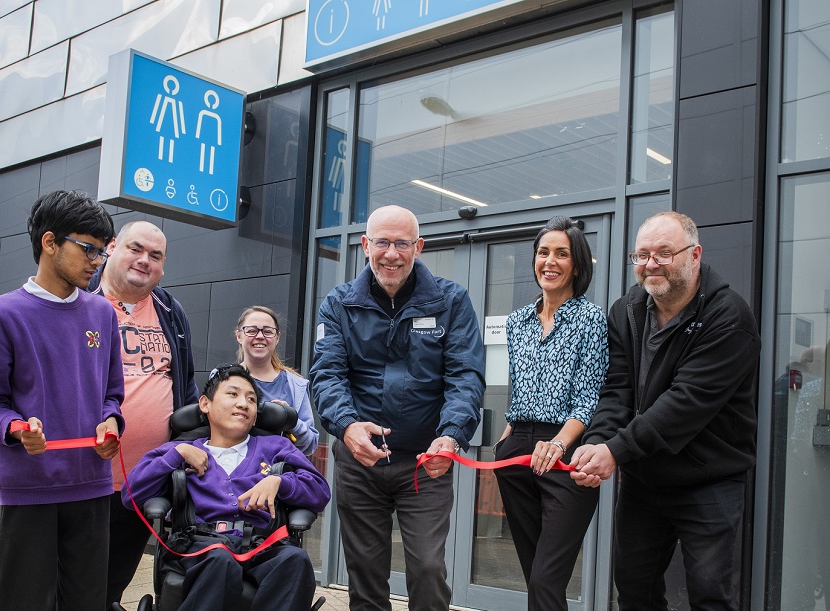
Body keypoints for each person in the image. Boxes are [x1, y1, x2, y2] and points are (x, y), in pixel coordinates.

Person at [571, 211, 760, 610]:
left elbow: (686, 402)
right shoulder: (626, 310)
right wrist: (597, 442)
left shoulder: (729, 317)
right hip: (644, 480)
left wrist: (614, 451)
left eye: (663, 253)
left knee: (710, 594)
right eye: (641, 255)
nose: (650, 264)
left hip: (709, 481)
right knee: (635, 591)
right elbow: (616, 391)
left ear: (695, 255)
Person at [310, 204, 485, 610]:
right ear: (364, 245)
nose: (392, 253)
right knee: (366, 576)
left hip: (425, 462)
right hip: (360, 464)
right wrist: (347, 426)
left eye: (402, 243)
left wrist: (451, 434)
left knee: (427, 568)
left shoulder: (451, 302)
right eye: (382, 242)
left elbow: (465, 376)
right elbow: (327, 374)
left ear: (418, 247)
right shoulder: (338, 304)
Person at [0, 190, 124, 611]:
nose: (98, 261)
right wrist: (18, 430)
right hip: (30, 486)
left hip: (92, 484)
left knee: (87, 602)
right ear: (49, 242)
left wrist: (112, 424)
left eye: (103, 251)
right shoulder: (2, 313)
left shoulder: (102, 314)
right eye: (88, 248)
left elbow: (112, 396)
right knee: (24, 601)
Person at [122, 363, 331, 611]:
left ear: (256, 414)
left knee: (295, 559)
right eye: (232, 394)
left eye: (251, 399)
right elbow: (130, 495)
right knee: (220, 559)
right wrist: (176, 455)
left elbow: (320, 491)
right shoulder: (182, 449)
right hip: (201, 547)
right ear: (205, 404)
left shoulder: (275, 447)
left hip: (260, 546)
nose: (243, 403)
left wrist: (280, 482)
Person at [493, 215, 607, 610]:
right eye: (543, 252)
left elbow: (588, 398)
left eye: (562, 254)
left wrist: (558, 443)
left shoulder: (591, 320)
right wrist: (509, 431)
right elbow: (521, 384)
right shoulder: (517, 322)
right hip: (517, 452)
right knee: (535, 577)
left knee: (546, 576)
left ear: (577, 264)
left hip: (565, 451)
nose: (550, 261)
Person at [87, 220, 200, 608]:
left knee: (110, 584)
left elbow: (185, 387)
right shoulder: (82, 298)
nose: (144, 260)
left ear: (163, 266)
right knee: (67, 582)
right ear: (113, 247)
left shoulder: (170, 310)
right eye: (136, 249)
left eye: (155, 255)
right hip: (82, 477)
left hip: (142, 482)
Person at [236, 305, 319, 455]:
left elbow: (310, 445)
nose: (260, 336)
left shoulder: (296, 385)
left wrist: (291, 420)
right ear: (239, 336)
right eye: (252, 331)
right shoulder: (223, 377)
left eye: (268, 331)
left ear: (277, 337)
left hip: (279, 472)